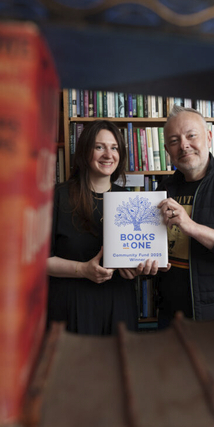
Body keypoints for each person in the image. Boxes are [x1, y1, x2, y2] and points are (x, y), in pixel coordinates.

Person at [123, 105, 214, 327]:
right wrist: (143, 266)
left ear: (208, 137)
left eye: (191, 136)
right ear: (167, 150)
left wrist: (190, 226)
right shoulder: (163, 190)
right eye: (174, 141)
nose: (183, 145)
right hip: (169, 316)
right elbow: (153, 250)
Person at [47, 120, 137, 335]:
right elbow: (38, 261)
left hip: (119, 304)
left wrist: (137, 269)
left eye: (114, 148)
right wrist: (83, 270)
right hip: (70, 305)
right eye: (99, 147)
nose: (108, 154)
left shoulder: (130, 199)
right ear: (84, 151)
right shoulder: (56, 197)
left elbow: (136, 256)